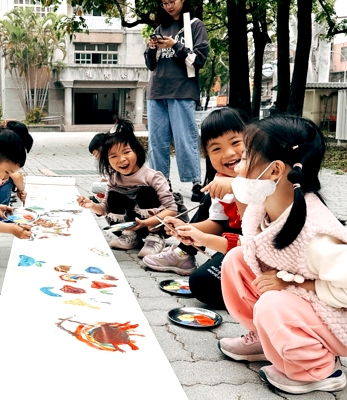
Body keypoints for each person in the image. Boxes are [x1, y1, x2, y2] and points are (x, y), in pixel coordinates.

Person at [212, 115, 347, 394]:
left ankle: (319, 369)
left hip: (345, 323)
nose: (237, 164)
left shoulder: (316, 236)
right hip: (310, 305)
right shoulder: (267, 208)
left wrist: (292, 283)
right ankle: (267, 338)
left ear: (274, 171)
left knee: (272, 303)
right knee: (237, 261)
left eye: (246, 157)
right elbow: (251, 250)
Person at [143, 108, 246, 309]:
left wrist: (239, 186)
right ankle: (184, 254)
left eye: (235, 142)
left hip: (259, 250)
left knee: (204, 285)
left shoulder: (266, 177)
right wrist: (186, 229)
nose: (229, 153)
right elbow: (218, 223)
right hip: (233, 243)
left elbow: (260, 232)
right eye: (216, 149)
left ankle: (259, 297)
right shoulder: (220, 180)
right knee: (201, 282)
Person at [76, 119, 177, 257]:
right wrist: (91, 205)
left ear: (136, 151)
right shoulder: (113, 178)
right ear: (107, 161)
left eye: (126, 152)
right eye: (113, 156)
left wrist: (146, 223)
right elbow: (105, 208)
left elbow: (172, 210)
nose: (121, 159)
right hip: (130, 226)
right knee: (114, 195)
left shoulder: (153, 177)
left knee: (145, 192)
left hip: (155, 225)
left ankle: (155, 239)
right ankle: (130, 237)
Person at [144, 0, 209, 202]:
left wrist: (175, 45)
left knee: (185, 139)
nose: (168, 6)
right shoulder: (159, 28)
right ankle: (162, 183)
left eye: (172, 1)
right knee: (157, 143)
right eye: (164, 3)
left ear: (183, 0)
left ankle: (196, 184)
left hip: (182, 90)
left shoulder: (194, 25)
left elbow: (198, 60)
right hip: (156, 92)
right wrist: (151, 47)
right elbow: (151, 65)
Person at [88, 132, 109, 204]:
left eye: (95, 154)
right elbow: (105, 178)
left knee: (94, 187)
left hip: (123, 188)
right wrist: (99, 195)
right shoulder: (106, 163)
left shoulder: (113, 160)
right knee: (97, 187)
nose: (96, 158)